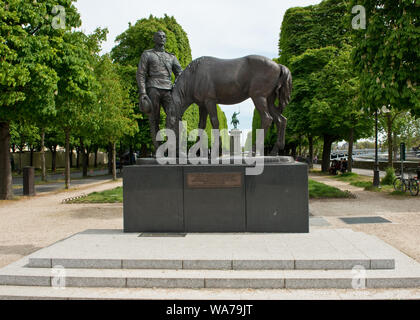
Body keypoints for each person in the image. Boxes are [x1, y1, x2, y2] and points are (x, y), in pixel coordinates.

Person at [136, 30, 183, 153]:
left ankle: (172, 148)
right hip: (153, 88)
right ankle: (158, 150)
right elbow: (141, 74)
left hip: (168, 90)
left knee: (174, 118)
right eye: (159, 36)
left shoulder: (171, 57)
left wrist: (176, 88)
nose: (162, 38)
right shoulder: (147, 54)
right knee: (154, 119)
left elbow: (181, 74)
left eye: (164, 36)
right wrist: (143, 93)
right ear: (154, 39)